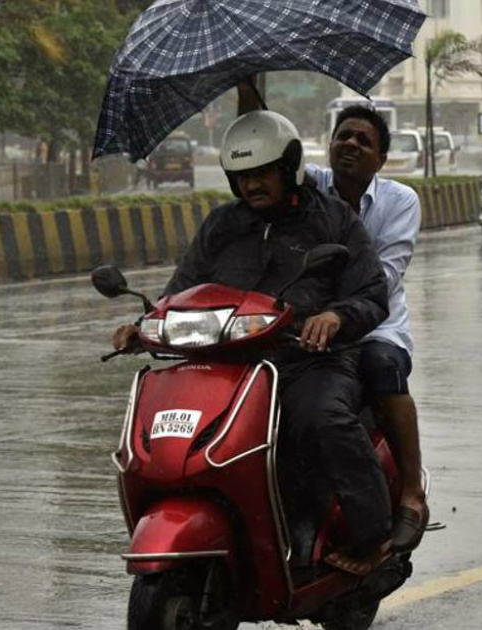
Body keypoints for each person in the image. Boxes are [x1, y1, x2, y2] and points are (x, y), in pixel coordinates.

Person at [112, 110, 393, 574]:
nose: (252, 184)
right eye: (242, 176)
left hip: (307, 360)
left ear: (288, 167)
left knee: (323, 418)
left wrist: (334, 316)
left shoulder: (332, 220)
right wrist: (142, 327)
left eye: (262, 172)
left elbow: (371, 293)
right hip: (226, 364)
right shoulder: (223, 225)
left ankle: (371, 536)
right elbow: (180, 292)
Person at [238, 84, 428, 555]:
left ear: (382, 159)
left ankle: (409, 492)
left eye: (364, 141)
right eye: (344, 136)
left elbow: (382, 276)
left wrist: (336, 311)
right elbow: (264, 154)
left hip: (372, 320)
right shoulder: (308, 187)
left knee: (383, 370)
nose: (351, 145)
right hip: (300, 319)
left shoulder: (399, 201)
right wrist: (248, 91)